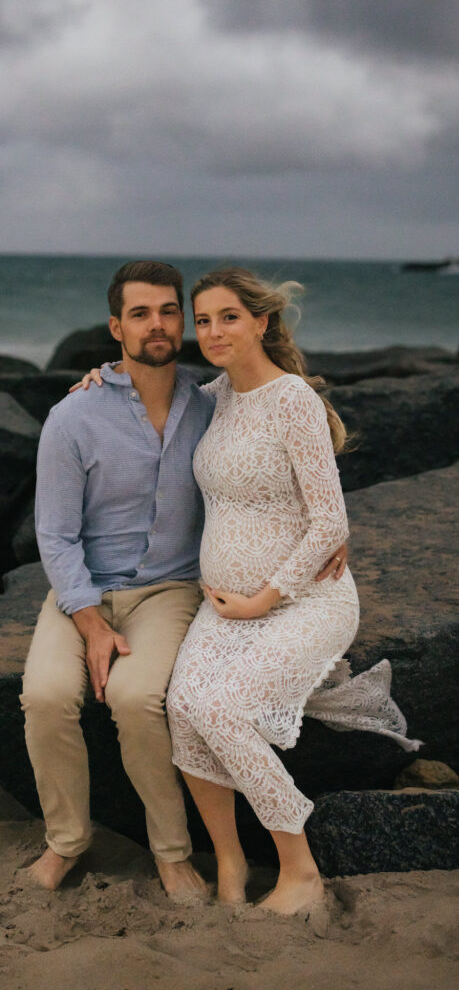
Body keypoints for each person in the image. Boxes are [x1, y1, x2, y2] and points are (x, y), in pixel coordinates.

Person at [21, 260, 347, 897]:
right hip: (81, 591)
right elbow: (55, 535)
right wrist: (88, 622)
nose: (159, 324)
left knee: (140, 701)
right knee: (44, 697)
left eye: (171, 311)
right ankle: (66, 841)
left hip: (168, 592)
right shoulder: (75, 416)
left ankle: (173, 855)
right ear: (117, 326)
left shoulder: (209, 399)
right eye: (140, 314)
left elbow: (288, 430)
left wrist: (335, 527)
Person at [164, 267, 419, 915]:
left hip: (304, 600)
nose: (213, 331)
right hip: (226, 608)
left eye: (228, 317)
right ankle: (226, 862)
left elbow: (330, 521)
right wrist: (95, 381)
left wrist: (264, 598)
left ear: (261, 322)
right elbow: (140, 394)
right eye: (203, 320)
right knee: (182, 709)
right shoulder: (211, 397)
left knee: (222, 709)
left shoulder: (292, 401)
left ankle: (298, 870)